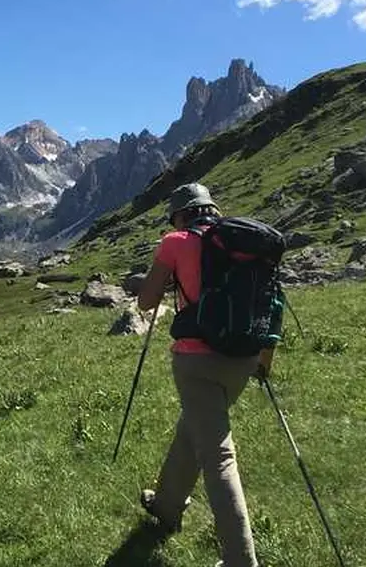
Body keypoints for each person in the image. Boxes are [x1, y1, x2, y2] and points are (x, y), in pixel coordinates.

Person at [135, 183, 274, 567]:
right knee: (194, 428)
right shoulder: (245, 241)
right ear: (212, 209)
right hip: (244, 357)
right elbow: (270, 300)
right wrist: (266, 358)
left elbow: (146, 301)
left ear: (181, 215)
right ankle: (166, 506)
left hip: (197, 360)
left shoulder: (175, 241)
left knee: (218, 456)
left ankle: (241, 560)